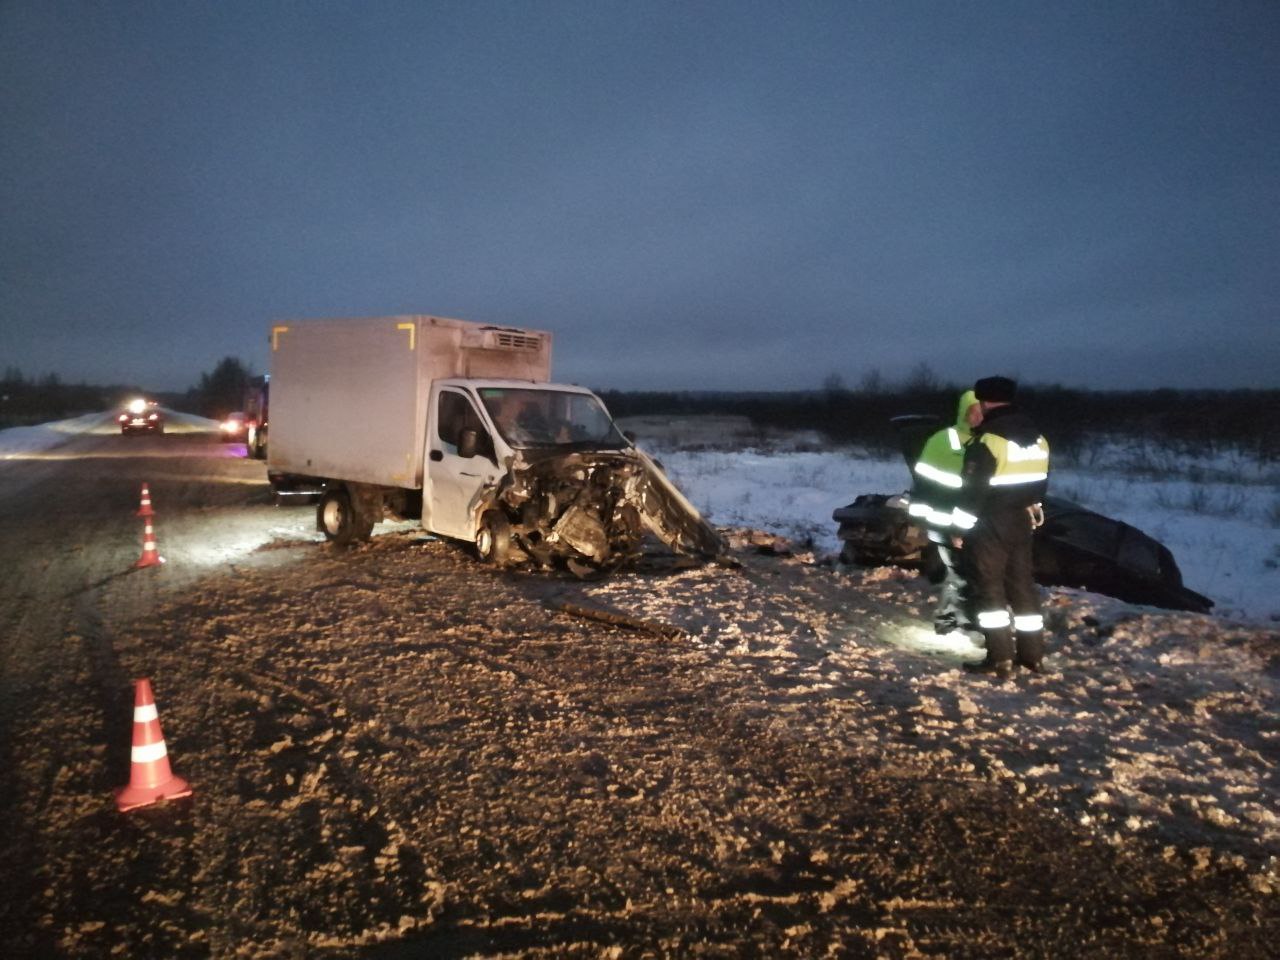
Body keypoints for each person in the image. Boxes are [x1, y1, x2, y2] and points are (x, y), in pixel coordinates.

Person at [954, 376, 1051, 678]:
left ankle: (999, 659)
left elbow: (973, 492)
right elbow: (1040, 483)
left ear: (983, 403)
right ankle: (1032, 656)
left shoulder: (988, 440)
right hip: (1023, 519)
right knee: (1022, 586)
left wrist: (959, 529)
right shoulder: (1038, 438)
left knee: (989, 588)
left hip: (990, 522)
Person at [907, 390, 983, 633]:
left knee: (969, 572)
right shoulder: (942, 441)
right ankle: (956, 619)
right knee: (959, 572)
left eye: (983, 411)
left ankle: (955, 617)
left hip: (976, 523)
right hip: (945, 520)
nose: (979, 416)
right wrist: (920, 516)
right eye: (974, 410)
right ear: (964, 412)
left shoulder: (989, 442)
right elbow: (923, 482)